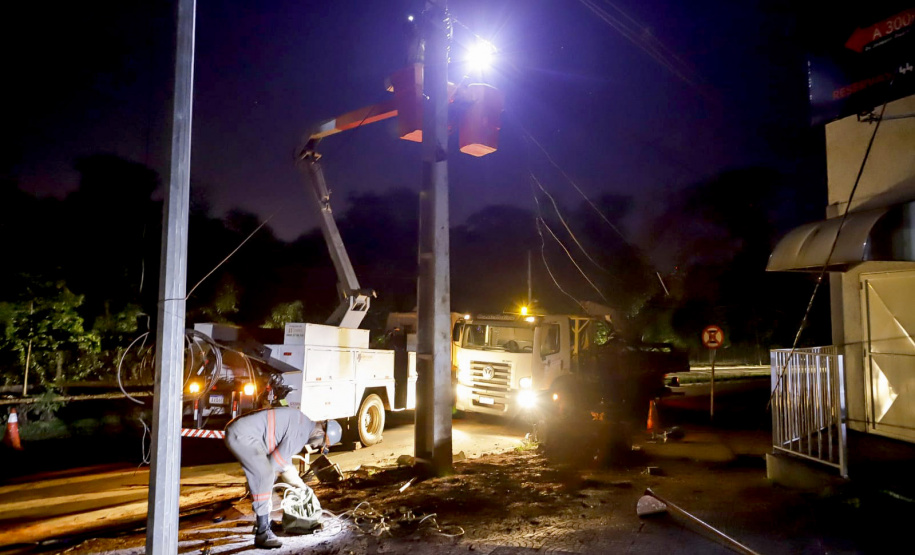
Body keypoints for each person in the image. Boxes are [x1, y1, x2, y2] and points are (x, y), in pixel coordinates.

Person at [224, 406, 342, 548]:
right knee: (265, 476)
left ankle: (262, 522)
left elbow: (284, 461)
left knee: (263, 476)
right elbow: (275, 464)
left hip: (241, 431)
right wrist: (272, 496)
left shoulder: (302, 424)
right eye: (322, 444)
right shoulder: (301, 433)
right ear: (321, 432)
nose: (317, 446)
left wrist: (300, 486)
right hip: (243, 435)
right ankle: (263, 533)